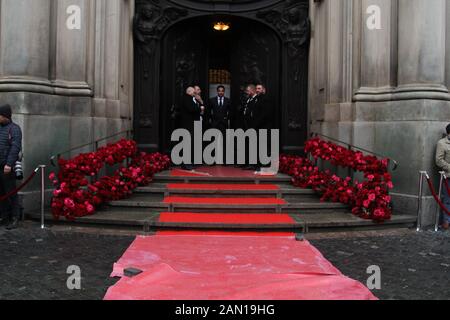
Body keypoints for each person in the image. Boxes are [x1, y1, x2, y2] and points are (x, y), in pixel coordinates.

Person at [0, 104, 22, 230]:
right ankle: (4, 217)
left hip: (7, 167)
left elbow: (15, 148)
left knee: (11, 193)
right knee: (1, 193)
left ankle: (15, 217)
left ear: (5, 116)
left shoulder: (14, 129)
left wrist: (9, 164)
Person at [180, 87, 203, 171]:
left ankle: (187, 163)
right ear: (188, 92)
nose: (195, 93)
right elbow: (191, 109)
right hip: (188, 125)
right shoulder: (186, 99)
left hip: (192, 124)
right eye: (193, 91)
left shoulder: (192, 99)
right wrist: (199, 108)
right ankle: (186, 164)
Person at [436, 124, 450, 230]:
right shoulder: (442, 143)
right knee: (447, 199)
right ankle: (446, 221)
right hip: (448, 175)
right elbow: (439, 160)